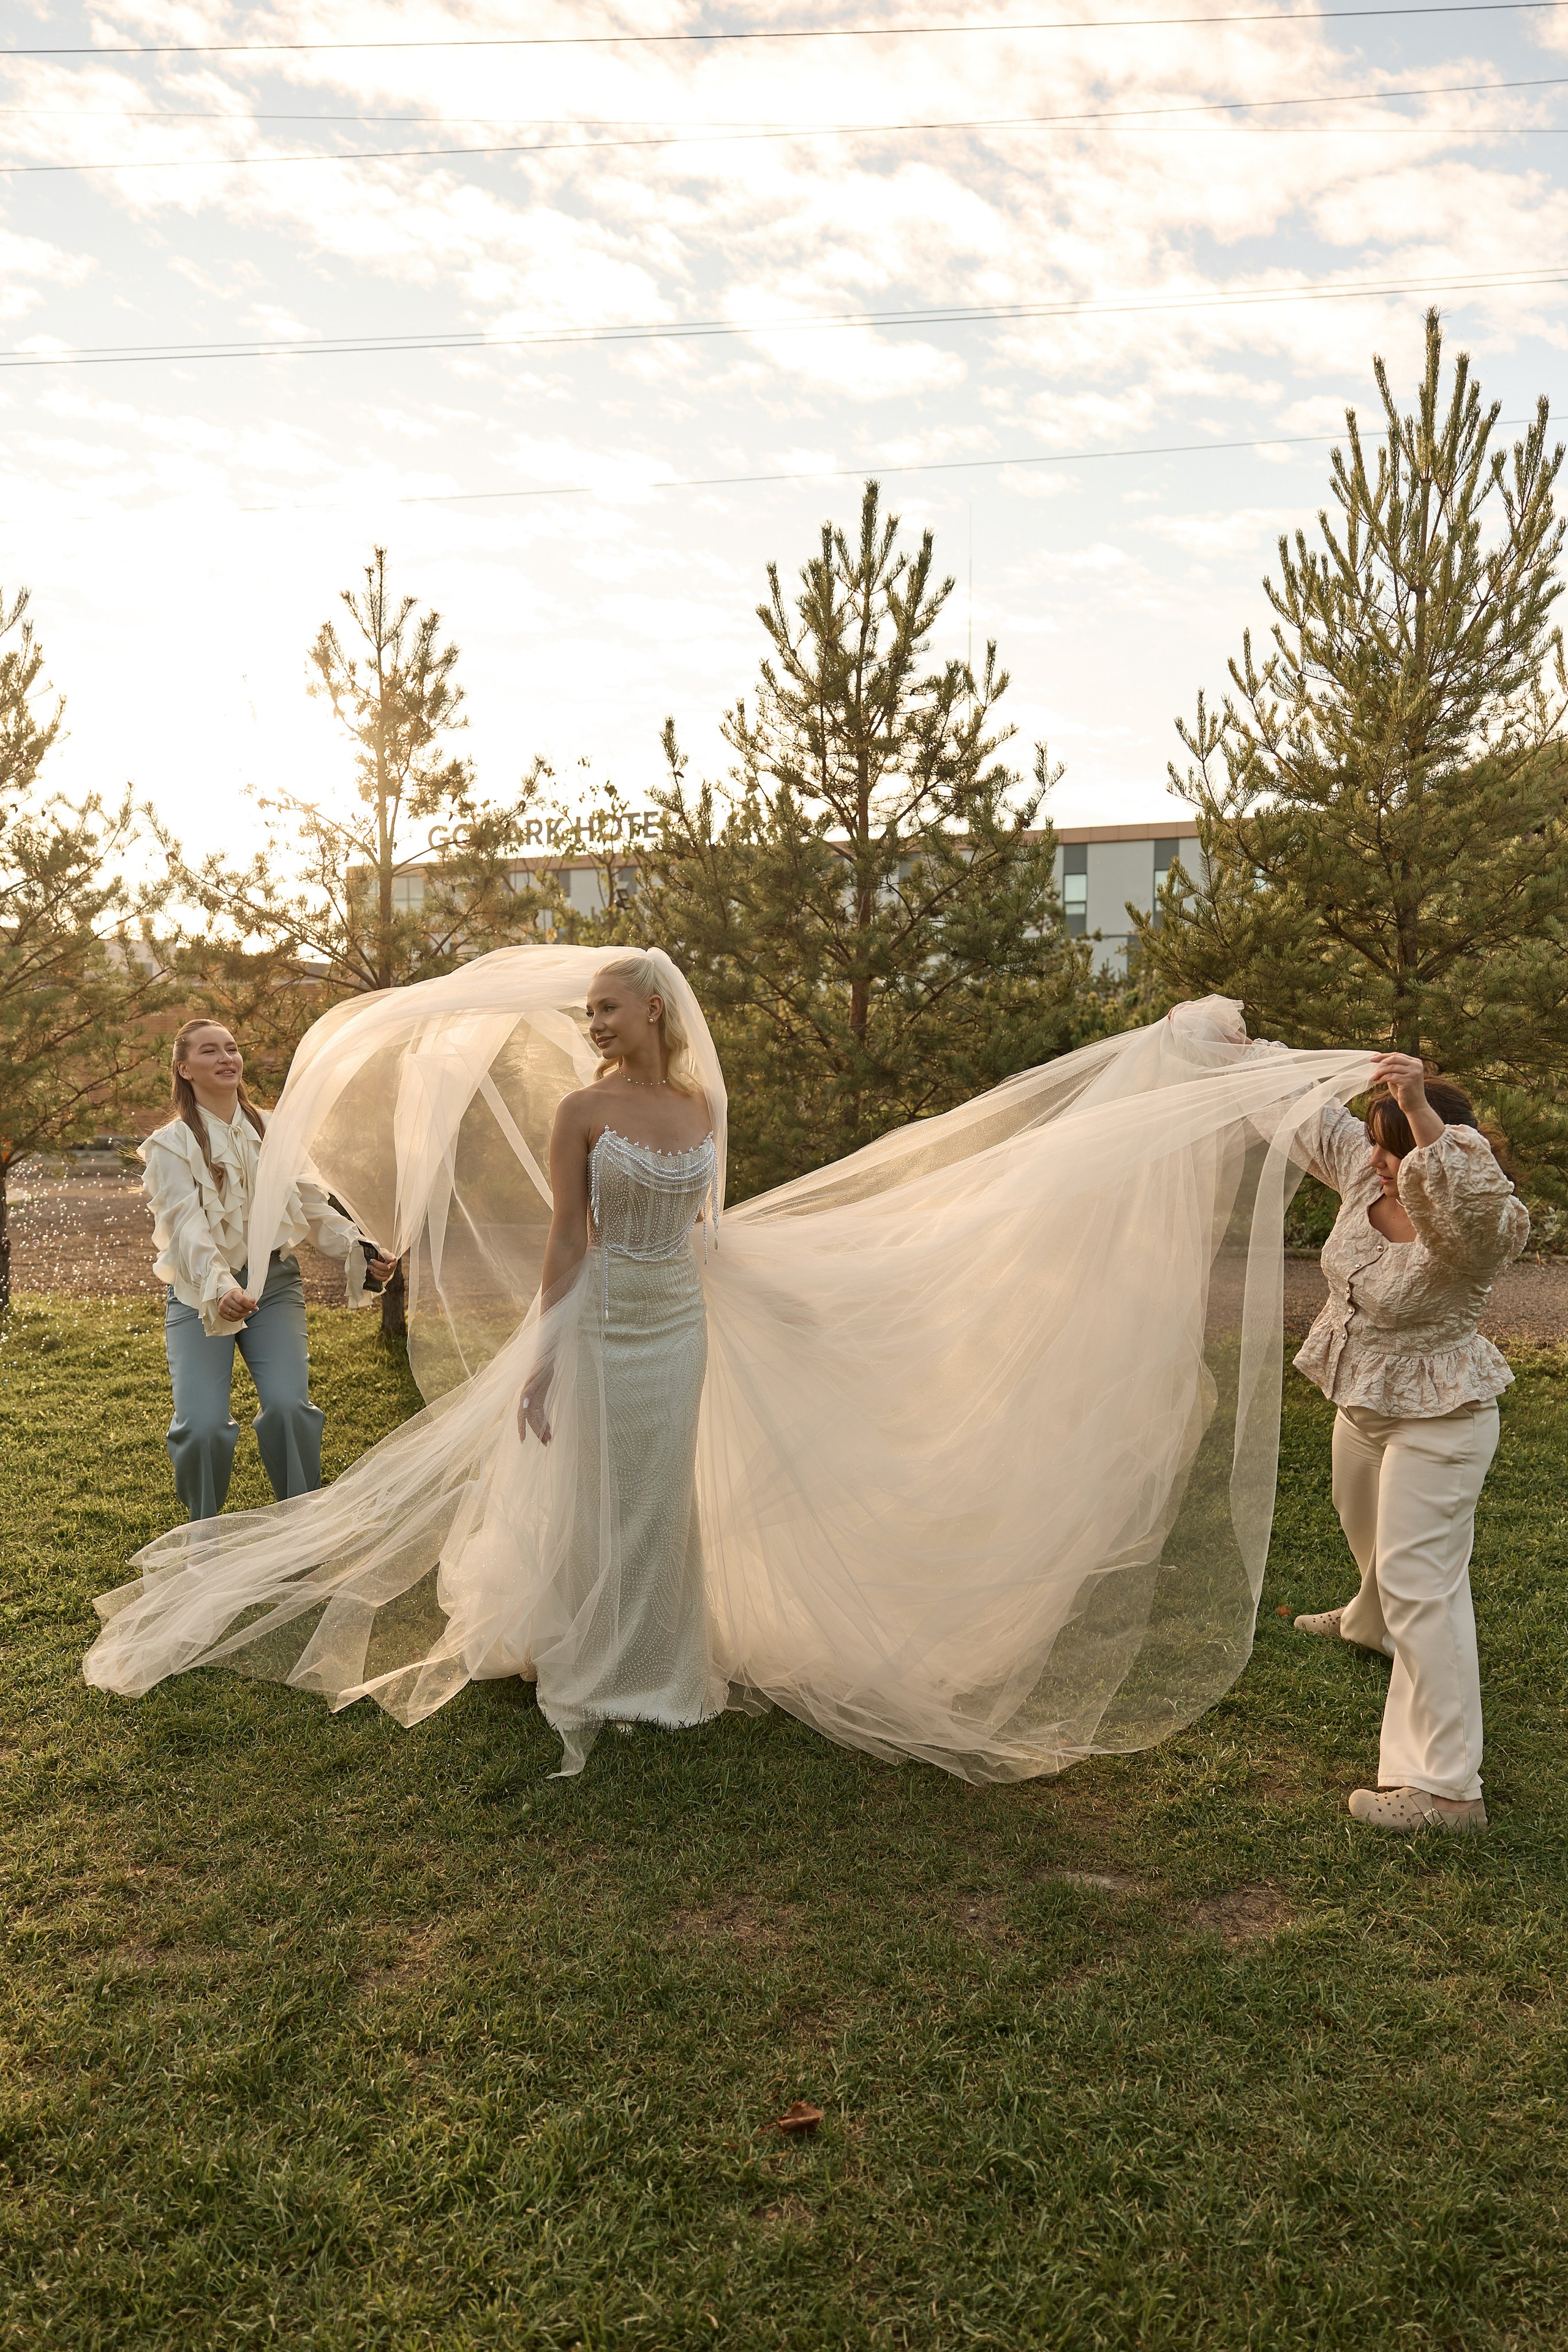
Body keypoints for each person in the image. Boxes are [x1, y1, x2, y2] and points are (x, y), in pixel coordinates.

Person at [86, 963, 1392, 1787]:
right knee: (600, 1483)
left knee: (666, 1488)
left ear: (655, 1014)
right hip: (601, 1317)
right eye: (587, 1011)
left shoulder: (697, 1116)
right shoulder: (583, 1113)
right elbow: (565, 1237)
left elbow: (705, 1228)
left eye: (608, 1008)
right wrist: (540, 1352)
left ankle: (663, 1660)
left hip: (685, 1317)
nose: (594, 1024)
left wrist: (793, 1291)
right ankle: (585, 1657)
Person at [1284, 1054, 1528, 1834]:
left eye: (1399, 1150)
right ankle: (1369, 1621)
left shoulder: (1479, 1223)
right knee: (1366, 1536)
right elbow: (1303, 1124)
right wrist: (1229, 1050)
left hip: (1442, 1420)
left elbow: (1464, 1189)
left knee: (1423, 1583)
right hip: (1362, 1404)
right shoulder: (1365, 1174)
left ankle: (1449, 1791)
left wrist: (1420, 1110)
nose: (1383, 1165)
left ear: (1442, 1148)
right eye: (1379, 1146)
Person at [141, 1019, 398, 1520]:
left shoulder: (275, 1128)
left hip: (275, 1287)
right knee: (203, 1427)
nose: (225, 1058)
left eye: (232, 1048)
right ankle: (203, 1535)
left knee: (288, 1409)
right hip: (199, 1292)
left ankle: (299, 1526)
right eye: (209, 1051)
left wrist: (361, 1250)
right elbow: (188, 1228)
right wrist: (220, 1287)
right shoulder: (170, 1146)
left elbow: (310, 1205)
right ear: (184, 1068)